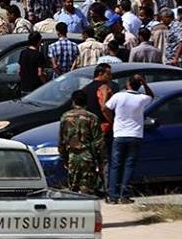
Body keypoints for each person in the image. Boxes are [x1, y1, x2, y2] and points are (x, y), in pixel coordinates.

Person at [105, 75, 154, 204]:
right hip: (135, 135)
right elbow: (151, 96)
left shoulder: (118, 96)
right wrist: (144, 83)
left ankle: (112, 195)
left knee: (115, 165)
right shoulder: (141, 98)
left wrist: (113, 119)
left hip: (119, 134)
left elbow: (106, 107)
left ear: (127, 84)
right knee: (129, 165)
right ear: (139, 85)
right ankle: (124, 195)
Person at [58, 90, 106, 195]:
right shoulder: (92, 117)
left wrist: (64, 157)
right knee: (87, 188)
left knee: (73, 188)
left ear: (73, 101)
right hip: (88, 156)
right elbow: (99, 141)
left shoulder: (65, 117)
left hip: (72, 156)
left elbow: (62, 139)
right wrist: (101, 160)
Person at [18, 32, 47, 96]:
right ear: (38, 41)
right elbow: (40, 73)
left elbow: (20, 70)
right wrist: (46, 84)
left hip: (24, 87)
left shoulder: (23, 53)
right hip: (35, 88)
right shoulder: (39, 55)